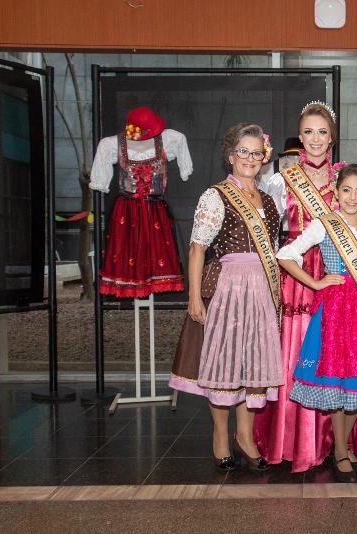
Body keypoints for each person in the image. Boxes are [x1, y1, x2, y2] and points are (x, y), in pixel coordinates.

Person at [169, 123, 283, 472]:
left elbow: (274, 250)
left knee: (254, 363)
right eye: (242, 152)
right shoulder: (215, 196)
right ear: (230, 156)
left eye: (255, 153)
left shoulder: (269, 199)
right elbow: (197, 248)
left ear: (264, 158)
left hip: (262, 288)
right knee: (224, 363)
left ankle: (245, 437)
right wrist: (194, 297)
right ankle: (221, 435)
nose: (249, 158)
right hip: (227, 287)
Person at [276, 164, 357, 482]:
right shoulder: (324, 225)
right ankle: (341, 449)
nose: (352, 197)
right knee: (337, 381)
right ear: (336, 192)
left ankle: (342, 445)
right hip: (335, 313)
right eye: (346, 190)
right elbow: (286, 254)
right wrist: (315, 283)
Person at [254, 102, 346, 472]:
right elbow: (267, 234)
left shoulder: (347, 177)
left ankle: (330, 440)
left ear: (332, 138)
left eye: (322, 132)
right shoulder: (280, 180)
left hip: (338, 271)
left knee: (333, 354)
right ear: (299, 136)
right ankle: (290, 438)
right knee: (294, 353)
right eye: (308, 132)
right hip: (296, 275)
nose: (315, 140)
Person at [89, 106, 193, 298]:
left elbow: (182, 145)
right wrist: (100, 182)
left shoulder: (169, 139)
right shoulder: (112, 144)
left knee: (157, 252)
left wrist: (185, 168)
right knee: (127, 250)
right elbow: (100, 178)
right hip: (127, 210)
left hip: (155, 209)